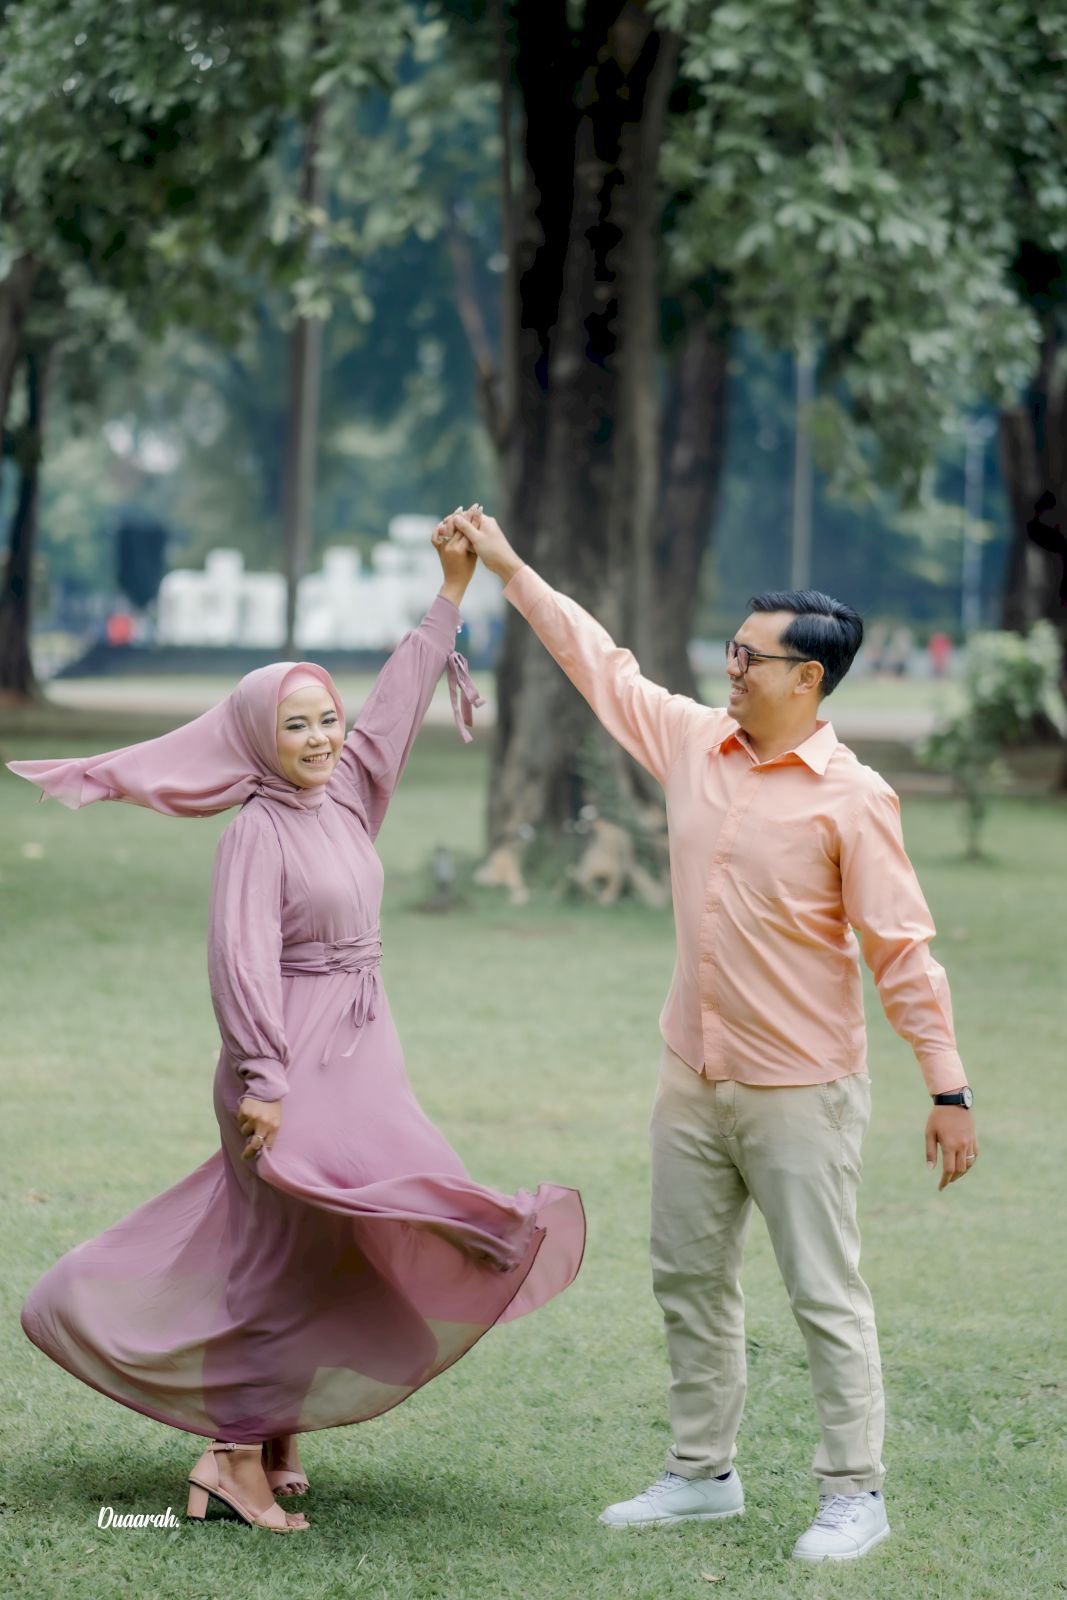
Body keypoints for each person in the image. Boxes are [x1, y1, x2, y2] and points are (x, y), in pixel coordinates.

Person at [8, 514, 585, 1536]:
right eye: (296, 727)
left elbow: (393, 710)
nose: (320, 740)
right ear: (255, 741)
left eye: (326, 720)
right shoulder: (258, 832)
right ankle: (231, 1455)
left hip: (360, 1058)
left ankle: (273, 1435)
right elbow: (238, 965)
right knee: (283, 1250)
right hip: (286, 1069)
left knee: (335, 1240)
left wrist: (450, 594)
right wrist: (266, 1083)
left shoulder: (346, 795)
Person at [446, 506, 978, 1565]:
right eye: (729, 650)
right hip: (690, 1074)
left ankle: (853, 1494)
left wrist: (947, 1089)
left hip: (800, 1090)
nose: (728, 669)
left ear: (807, 679)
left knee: (823, 1295)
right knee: (687, 1281)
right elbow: (598, 665)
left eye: (749, 658)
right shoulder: (694, 742)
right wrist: (508, 567)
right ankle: (701, 1474)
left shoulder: (853, 800)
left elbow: (901, 950)